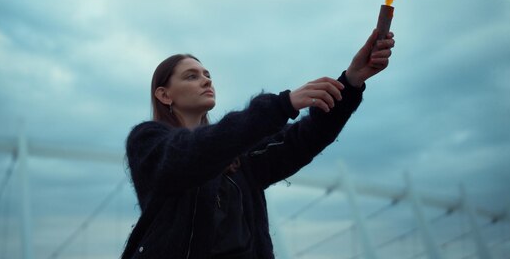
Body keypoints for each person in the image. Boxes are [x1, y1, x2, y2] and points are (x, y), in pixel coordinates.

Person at [121, 29, 395, 259]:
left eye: (207, 74)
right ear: (164, 94)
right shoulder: (147, 143)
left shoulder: (240, 157)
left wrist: (352, 80)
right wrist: (281, 105)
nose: (206, 79)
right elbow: (191, 154)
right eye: (192, 76)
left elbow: (302, 138)